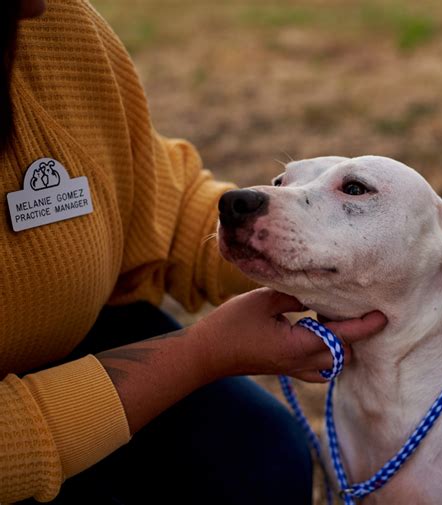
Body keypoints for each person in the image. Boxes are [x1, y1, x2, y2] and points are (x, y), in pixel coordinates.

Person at [0, 1, 387, 504]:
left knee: (260, 453)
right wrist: (201, 355)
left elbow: (161, 202)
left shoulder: (55, 25)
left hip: (75, 335)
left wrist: (285, 239)